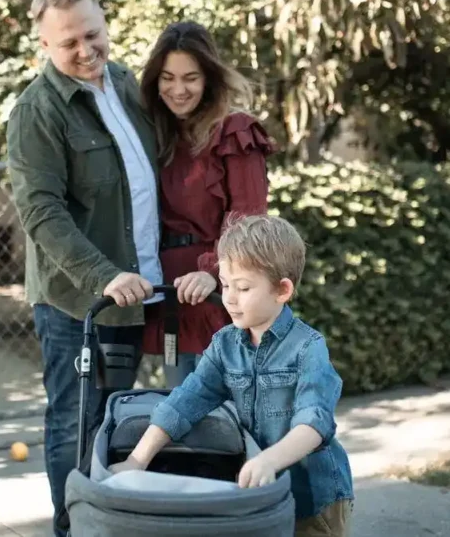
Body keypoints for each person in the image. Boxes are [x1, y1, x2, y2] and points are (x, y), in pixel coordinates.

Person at [6, 0, 189, 537]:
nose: (85, 51)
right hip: (79, 304)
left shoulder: (128, 86)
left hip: (139, 297)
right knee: (74, 426)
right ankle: (72, 531)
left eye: (92, 34)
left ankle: (107, 526)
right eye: (69, 44)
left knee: (117, 424)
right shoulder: (37, 112)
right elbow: (42, 214)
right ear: (44, 45)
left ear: (105, 24)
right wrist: (105, 276)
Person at [109, 214, 355, 537]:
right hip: (259, 495)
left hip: (315, 502)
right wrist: (137, 460)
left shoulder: (308, 348)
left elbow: (314, 421)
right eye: (225, 284)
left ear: (282, 290)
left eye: (243, 287)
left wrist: (269, 460)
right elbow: (185, 401)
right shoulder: (225, 345)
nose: (229, 297)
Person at [138, 21, 275, 386]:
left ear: (209, 79)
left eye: (191, 78)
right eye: (167, 78)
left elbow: (248, 220)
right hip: (169, 296)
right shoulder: (159, 135)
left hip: (219, 293)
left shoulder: (234, 130)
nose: (178, 90)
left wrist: (212, 271)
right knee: (178, 420)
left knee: (227, 423)